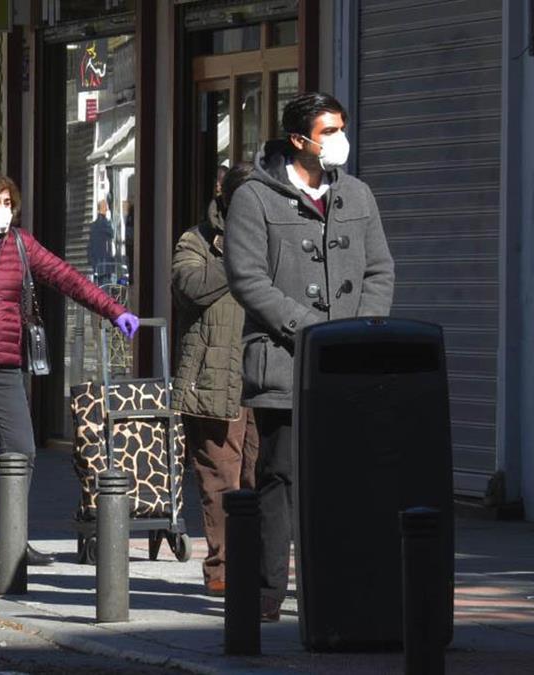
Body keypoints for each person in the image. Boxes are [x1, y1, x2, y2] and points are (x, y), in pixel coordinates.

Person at [224, 92, 395, 622]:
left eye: (342, 127)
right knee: (281, 477)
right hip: (284, 358)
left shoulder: (357, 194)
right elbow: (248, 279)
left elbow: (379, 270)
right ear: (298, 140)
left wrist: (361, 330)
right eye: (329, 130)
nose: (340, 139)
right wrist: (311, 329)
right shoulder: (255, 198)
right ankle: (268, 591)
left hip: (350, 361)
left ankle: (339, 583)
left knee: (348, 478)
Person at [0, 170, 140, 568]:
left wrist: (114, 309)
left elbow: (68, 279)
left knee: (22, 447)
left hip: (4, 362)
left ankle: (16, 538)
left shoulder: (20, 244)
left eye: (7, 203)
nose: (2, 210)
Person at [171, 162, 259, 598]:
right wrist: (242, 253)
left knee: (264, 478)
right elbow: (191, 287)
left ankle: (264, 570)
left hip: (264, 378)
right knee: (221, 481)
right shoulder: (197, 240)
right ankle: (223, 571)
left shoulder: (274, 237)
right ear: (222, 193)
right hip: (212, 379)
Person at [87, 198, 115, 284]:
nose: (107, 209)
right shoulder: (105, 224)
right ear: (103, 208)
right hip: (105, 265)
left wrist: (92, 261)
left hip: (97, 265)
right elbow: (112, 233)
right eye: (106, 207)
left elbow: (90, 246)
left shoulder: (93, 225)